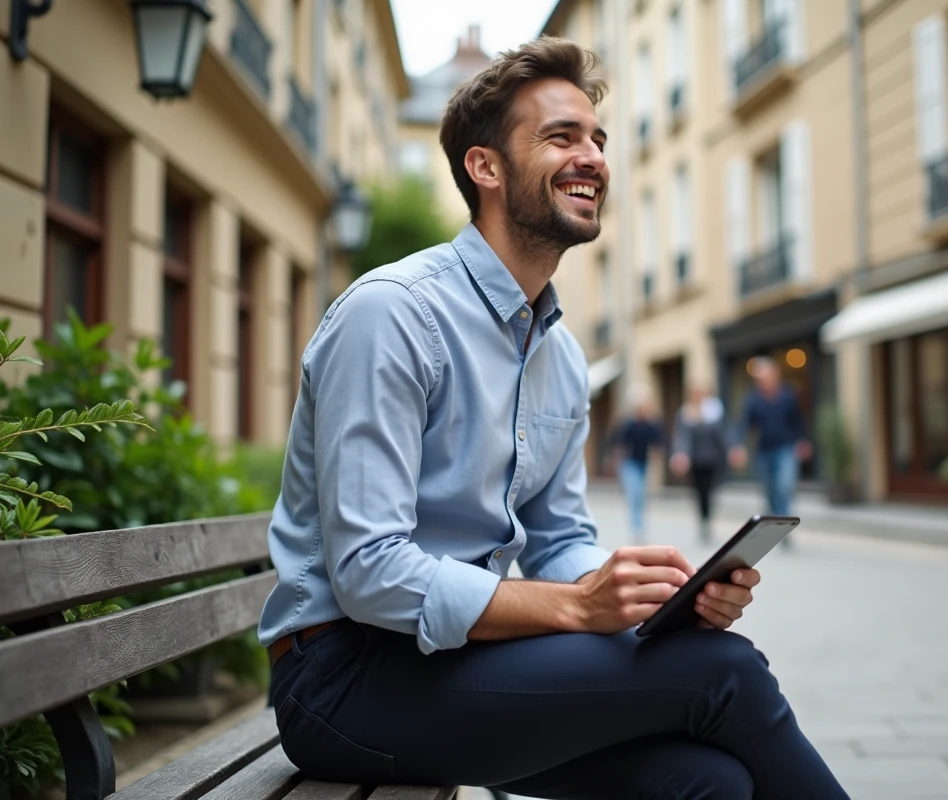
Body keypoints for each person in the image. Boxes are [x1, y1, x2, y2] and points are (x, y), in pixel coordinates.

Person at [258, 38, 848, 799]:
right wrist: (576, 607)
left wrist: (645, 600)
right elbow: (370, 572)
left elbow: (560, 535)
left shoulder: (560, 354)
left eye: (597, 139)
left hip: (455, 662)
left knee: (707, 781)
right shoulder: (393, 315)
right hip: (344, 680)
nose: (593, 157)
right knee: (723, 673)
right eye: (561, 136)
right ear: (487, 168)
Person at [729, 357, 811, 524]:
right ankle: (775, 516)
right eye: (759, 379)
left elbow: (798, 421)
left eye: (765, 376)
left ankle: (783, 520)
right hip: (764, 450)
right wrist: (738, 446)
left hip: (785, 448)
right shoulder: (753, 400)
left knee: (784, 485)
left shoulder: (787, 396)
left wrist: (803, 441)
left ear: (775, 376)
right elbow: (744, 424)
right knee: (769, 489)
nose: (762, 381)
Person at [670, 387, 729, 543]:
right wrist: (681, 455)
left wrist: (731, 449)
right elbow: (681, 438)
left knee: (710, 492)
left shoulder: (714, 411)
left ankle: (707, 519)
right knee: (699, 492)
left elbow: (723, 434)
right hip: (696, 462)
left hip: (712, 460)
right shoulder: (685, 413)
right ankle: (703, 520)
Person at [609, 394, 664, 543]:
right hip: (629, 464)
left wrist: (656, 463)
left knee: (640, 497)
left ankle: (639, 527)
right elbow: (618, 443)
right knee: (634, 494)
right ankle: (636, 528)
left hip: (643, 465)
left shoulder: (651, 426)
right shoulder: (629, 425)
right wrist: (617, 461)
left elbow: (657, 445)